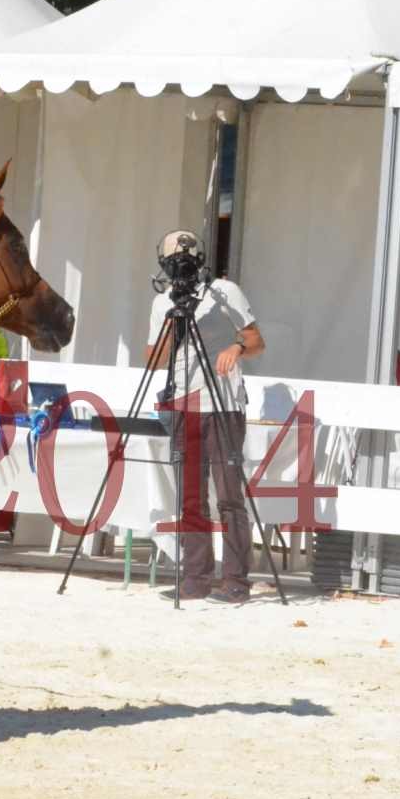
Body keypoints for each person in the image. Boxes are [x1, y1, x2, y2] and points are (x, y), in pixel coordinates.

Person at [144, 230, 266, 606]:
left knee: (229, 493)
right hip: (184, 401)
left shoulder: (225, 292)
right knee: (190, 497)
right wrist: (172, 320)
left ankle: (235, 580)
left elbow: (256, 341)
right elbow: (153, 360)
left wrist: (234, 346)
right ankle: (195, 576)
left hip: (224, 402)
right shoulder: (162, 302)